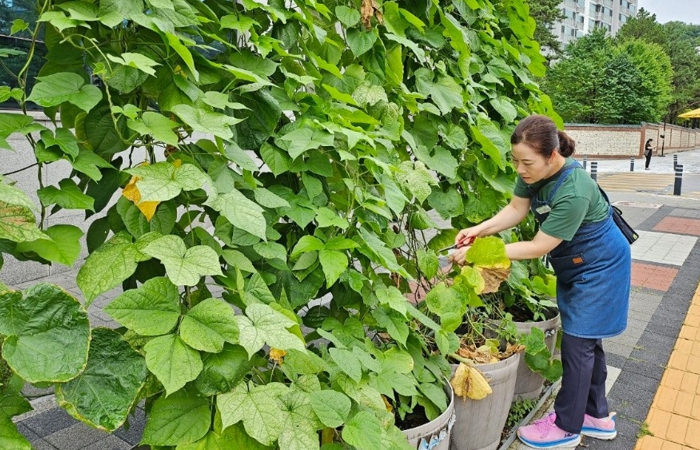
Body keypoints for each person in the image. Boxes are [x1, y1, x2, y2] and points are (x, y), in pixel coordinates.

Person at [450, 115, 630, 449]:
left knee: (578, 344)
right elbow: (516, 209)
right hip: (577, 264)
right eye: (515, 160)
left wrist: (480, 253)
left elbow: (538, 247)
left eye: (527, 162)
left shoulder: (574, 190)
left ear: (552, 155)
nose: (520, 169)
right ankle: (596, 416)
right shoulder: (532, 171)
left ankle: (566, 427)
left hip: (602, 266)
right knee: (587, 341)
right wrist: (478, 230)